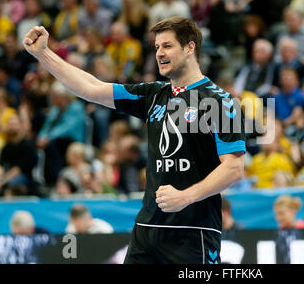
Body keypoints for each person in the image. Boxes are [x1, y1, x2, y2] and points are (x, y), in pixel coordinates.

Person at [22, 17, 245, 264]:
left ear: (190, 47)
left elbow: (234, 169)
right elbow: (91, 88)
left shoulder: (221, 102)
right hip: (147, 229)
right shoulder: (153, 95)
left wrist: (186, 196)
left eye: (167, 46)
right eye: (157, 47)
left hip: (193, 232)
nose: (159, 53)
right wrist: (44, 54)